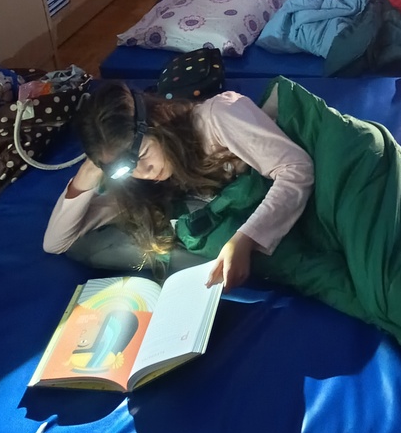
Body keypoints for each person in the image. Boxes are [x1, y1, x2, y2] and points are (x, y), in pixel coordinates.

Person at [43, 83, 314, 290]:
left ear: (156, 121)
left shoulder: (216, 118)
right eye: (127, 168)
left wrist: (246, 239)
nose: (144, 172)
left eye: (143, 154)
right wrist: (91, 169)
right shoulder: (137, 184)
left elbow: (296, 168)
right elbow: (56, 243)